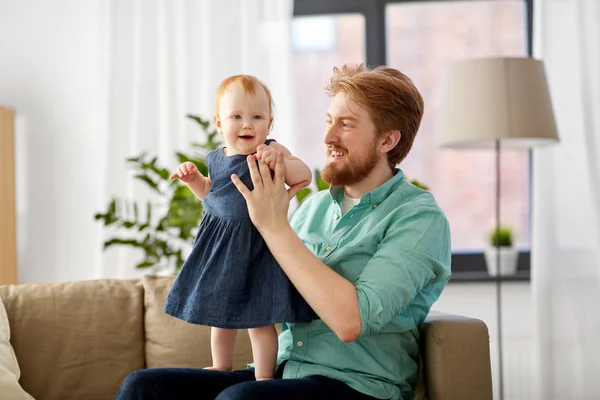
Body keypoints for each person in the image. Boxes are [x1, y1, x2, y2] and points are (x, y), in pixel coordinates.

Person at [115, 63, 451, 400]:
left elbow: (351, 322)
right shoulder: (315, 208)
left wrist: (273, 225)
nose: (328, 137)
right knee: (144, 388)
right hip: (282, 371)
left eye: (346, 125)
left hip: (358, 385)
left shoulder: (417, 218)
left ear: (387, 140)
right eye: (328, 121)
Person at [162, 74, 314, 382]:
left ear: (269, 124)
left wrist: (280, 160)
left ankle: (265, 378)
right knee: (221, 315)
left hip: (259, 246)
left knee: (260, 321)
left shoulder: (270, 151)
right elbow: (212, 196)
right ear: (219, 123)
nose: (247, 124)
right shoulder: (217, 160)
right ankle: (221, 366)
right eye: (237, 116)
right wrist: (194, 182)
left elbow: (305, 175)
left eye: (256, 117)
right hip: (223, 248)